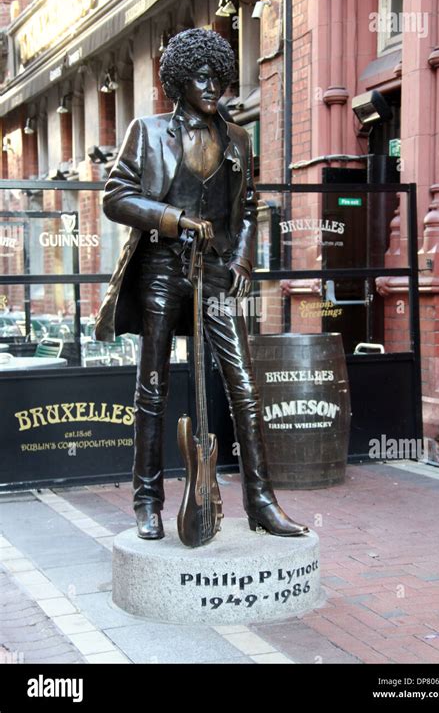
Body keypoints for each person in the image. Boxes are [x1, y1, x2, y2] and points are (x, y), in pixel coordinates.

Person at [95, 28, 308, 540]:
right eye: (201, 77)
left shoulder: (237, 137)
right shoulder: (146, 133)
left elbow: (250, 205)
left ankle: (260, 501)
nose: (213, 86)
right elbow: (115, 197)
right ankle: (147, 501)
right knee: (153, 387)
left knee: (245, 387)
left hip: (214, 274)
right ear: (178, 81)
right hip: (163, 271)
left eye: (219, 77)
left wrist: (241, 259)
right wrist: (172, 218)